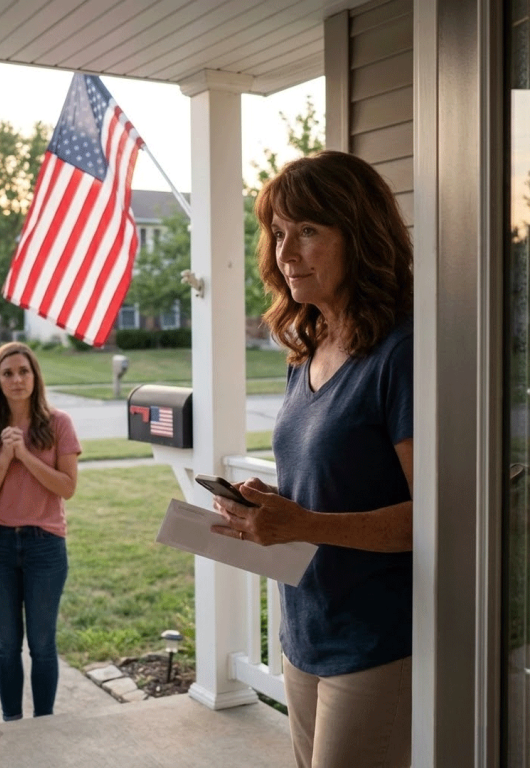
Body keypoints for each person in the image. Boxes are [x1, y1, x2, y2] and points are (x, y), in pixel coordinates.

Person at [211, 150, 414, 768]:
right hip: (305, 630)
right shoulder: (308, 349)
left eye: (308, 231)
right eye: (277, 233)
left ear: (360, 235)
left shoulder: (401, 354)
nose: (286, 253)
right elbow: (330, 479)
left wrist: (303, 524)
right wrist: (273, 506)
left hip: (378, 640)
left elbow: (433, 516)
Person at [0, 342, 81, 721]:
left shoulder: (58, 423)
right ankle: (12, 721)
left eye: (24, 371)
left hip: (45, 547)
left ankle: (43, 723)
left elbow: (67, 487)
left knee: (42, 644)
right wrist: (4, 457)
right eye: (8, 373)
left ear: (35, 377)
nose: (17, 380)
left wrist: (25, 456)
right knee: (5, 646)